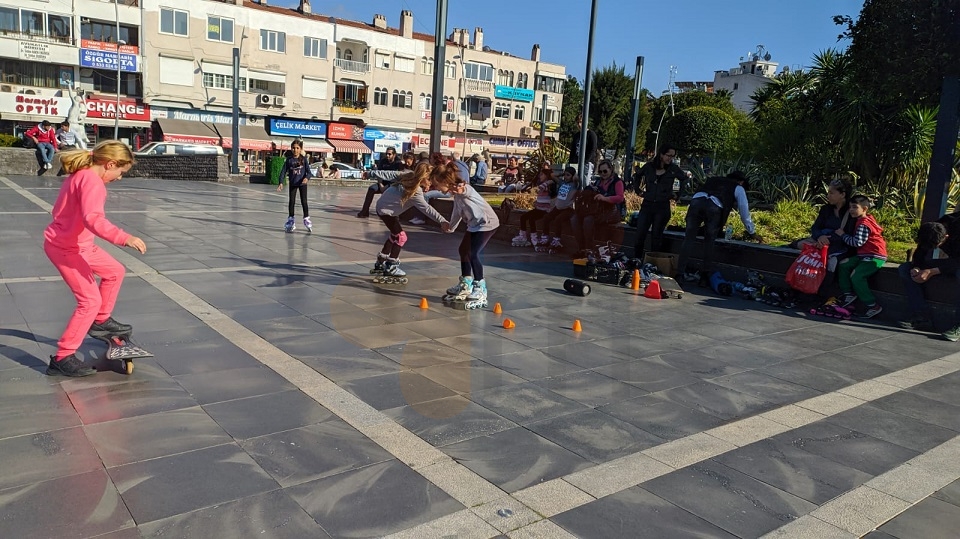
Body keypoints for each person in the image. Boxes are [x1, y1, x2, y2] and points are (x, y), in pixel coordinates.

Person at [43, 141, 147, 377]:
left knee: (114, 271)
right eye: (120, 172)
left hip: (80, 245)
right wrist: (124, 237)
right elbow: (93, 219)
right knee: (89, 301)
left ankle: (100, 321)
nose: (119, 178)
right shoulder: (92, 182)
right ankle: (62, 358)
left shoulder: (81, 174)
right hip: (66, 248)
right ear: (110, 164)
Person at [372, 160, 449, 280]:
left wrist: (371, 173)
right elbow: (427, 209)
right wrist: (442, 221)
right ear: (423, 177)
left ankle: (381, 260)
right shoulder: (416, 191)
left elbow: (390, 174)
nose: (430, 183)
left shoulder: (408, 176)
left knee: (394, 235)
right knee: (401, 237)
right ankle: (391, 266)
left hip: (383, 208)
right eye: (429, 180)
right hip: (386, 211)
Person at [435, 166, 500, 306]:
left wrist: (461, 187)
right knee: (463, 251)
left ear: (446, 182)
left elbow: (466, 190)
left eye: (437, 185)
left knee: (472, 253)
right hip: (474, 225)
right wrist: (451, 227)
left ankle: (480, 287)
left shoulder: (465, 190)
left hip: (487, 223)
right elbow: (457, 212)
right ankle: (466, 283)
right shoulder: (457, 196)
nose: (437, 189)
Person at [676, 171, 756, 284]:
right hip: (714, 208)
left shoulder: (713, 180)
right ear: (742, 182)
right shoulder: (738, 187)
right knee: (709, 241)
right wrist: (752, 231)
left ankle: (679, 274)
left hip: (696, 203)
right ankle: (704, 276)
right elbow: (744, 210)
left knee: (688, 239)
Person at [899, 219, 960, 340]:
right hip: (952, 262)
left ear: (946, 236)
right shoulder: (933, 228)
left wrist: (932, 271)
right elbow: (920, 252)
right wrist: (916, 267)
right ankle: (921, 317)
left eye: (937, 246)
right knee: (905, 269)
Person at [834, 195, 887, 318]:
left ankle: (872, 305)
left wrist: (843, 235)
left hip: (875, 257)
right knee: (844, 264)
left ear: (864, 209)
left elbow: (857, 242)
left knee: (857, 276)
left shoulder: (864, 224)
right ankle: (848, 294)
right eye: (850, 207)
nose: (851, 210)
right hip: (864, 255)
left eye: (854, 207)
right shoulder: (863, 220)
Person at [632, 145, 687, 260]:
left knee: (656, 237)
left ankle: (652, 262)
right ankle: (636, 260)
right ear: (661, 154)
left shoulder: (673, 169)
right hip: (647, 204)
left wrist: (677, 195)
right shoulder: (649, 167)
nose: (670, 158)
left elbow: (684, 179)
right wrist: (638, 190)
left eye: (672, 156)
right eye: (668, 155)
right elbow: (637, 175)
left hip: (662, 206)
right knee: (640, 234)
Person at [797, 178, 857, 272]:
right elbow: (815, 227)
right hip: (820, 241)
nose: (828, 196)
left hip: (840, 246)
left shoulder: (852, 212)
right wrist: (820, 237)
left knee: (831, 261)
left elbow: (850, 234)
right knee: (799, 245)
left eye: (831, 193)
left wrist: (826, 240)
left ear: (842, 194)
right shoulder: (826, 209)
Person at [570, 159, 624, 254]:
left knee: (588, 220)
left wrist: (605, 198)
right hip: (596, 210)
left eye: (605, 171)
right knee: (574, 219)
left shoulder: (617, 182)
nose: (602, 174)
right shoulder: (598, 181)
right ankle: (582, 247)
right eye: (600, 171)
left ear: (611, 169)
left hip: (611, 211)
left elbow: (620, 198)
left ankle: (589, 248)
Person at [538, 166, 580, 254]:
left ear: (572, 176)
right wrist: (563, 173)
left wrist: (574, 176)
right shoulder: (562, 183)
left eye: (568, 175)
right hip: (558, 208)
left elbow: (578, 181)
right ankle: (545, 237)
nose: (566, 177)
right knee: (546, 218)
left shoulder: (574, 185)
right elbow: (552, 175)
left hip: (568, 209)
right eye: (565, 175)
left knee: (558, 220)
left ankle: (557, 240)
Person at [512, 165, 556, 248]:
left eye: (542, 174)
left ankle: (534, 238)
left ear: (547, 176)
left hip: (544, 210)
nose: (540, 176)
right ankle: (523, 236)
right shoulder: (543, 184)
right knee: (523, 217)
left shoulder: (548, 184)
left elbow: (539, 188)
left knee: (532, 219)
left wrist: (549, 180)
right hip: (538, 208)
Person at [276, 140, 314, 232]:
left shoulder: (304, 159)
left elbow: (309, 172)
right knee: (291, 201)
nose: (295, 150)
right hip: (293, 183)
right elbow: (283, 171)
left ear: (301, 149)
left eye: (297, 148)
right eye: (293, 148)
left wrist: (307, 178)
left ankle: (306, 218)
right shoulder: (289, 160)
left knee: (304, 201)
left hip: (302, 184)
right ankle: (291, 220)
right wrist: (281, 182)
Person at [357, 147, 405, 218]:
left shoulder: (398, 163)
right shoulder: (383, 161)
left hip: (393, 184)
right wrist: (380, 185)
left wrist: (387, 186)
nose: (387, 155)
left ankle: (391, 213)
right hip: (382, 183)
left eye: (389, 154)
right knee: (371, 188)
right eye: (386, 154)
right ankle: (365, 211)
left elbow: (398, 178)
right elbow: (378, 174)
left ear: (394, 155)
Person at [568, 114, 598, 181]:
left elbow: (593, 149)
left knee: (585, 180)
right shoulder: (576, 135)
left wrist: (586, 161)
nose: (579, 124)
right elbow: (573, 150)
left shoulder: (591, 134)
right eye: (578, 122)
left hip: (587, 163)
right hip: (576, 163)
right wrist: (570, 162)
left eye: (581, 122)